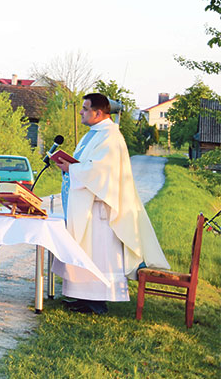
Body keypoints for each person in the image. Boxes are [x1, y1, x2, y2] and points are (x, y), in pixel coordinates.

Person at [51, 93, 169, 315]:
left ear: (98, 113)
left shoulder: (110, 137)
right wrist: (72, 166)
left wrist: (72, 169)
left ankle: (98, 301)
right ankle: (83, 297)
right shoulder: (95, 134)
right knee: (85, 251)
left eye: (85, 109)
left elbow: (101, 171)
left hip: (100, 211)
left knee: (99, 255)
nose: (81, 112)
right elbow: (89, 164)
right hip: (88, 207)